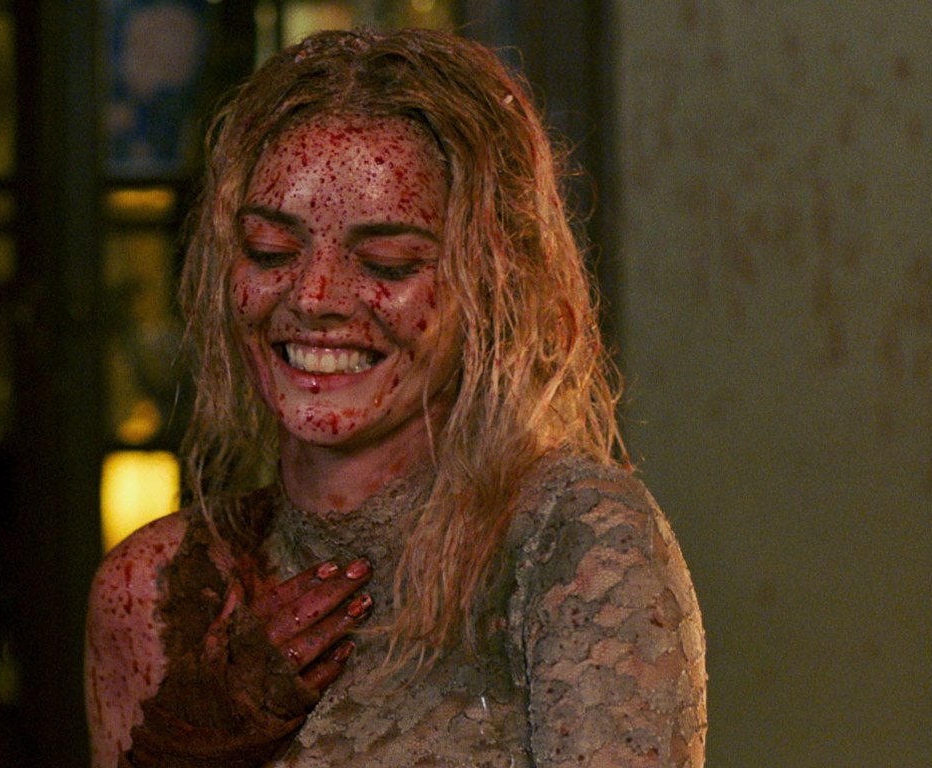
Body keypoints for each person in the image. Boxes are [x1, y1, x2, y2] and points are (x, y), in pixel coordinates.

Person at [85, 27, 706, 768]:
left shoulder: (570, 541)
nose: (314, 297)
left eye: (387, 262)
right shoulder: (152, 585)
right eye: (271, 251)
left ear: (494, 285)